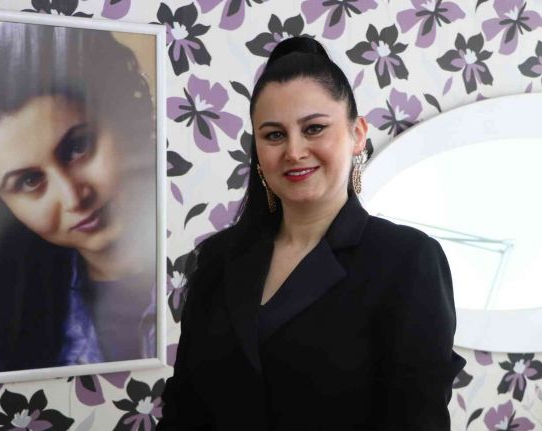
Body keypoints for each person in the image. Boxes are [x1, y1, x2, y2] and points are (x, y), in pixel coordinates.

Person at [157, 36, 466, 430]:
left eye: (314, 128)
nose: (294, 151)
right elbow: (183, 410)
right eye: (274, 135)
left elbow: (417, 421)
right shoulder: (218, 257)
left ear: (357, 134)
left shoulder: (407, 260)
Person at [0, 19, 157, 375]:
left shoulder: (212, 268)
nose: (73, 198)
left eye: (78, 147)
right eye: (29, 181)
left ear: (124, 119)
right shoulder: (14, 331)